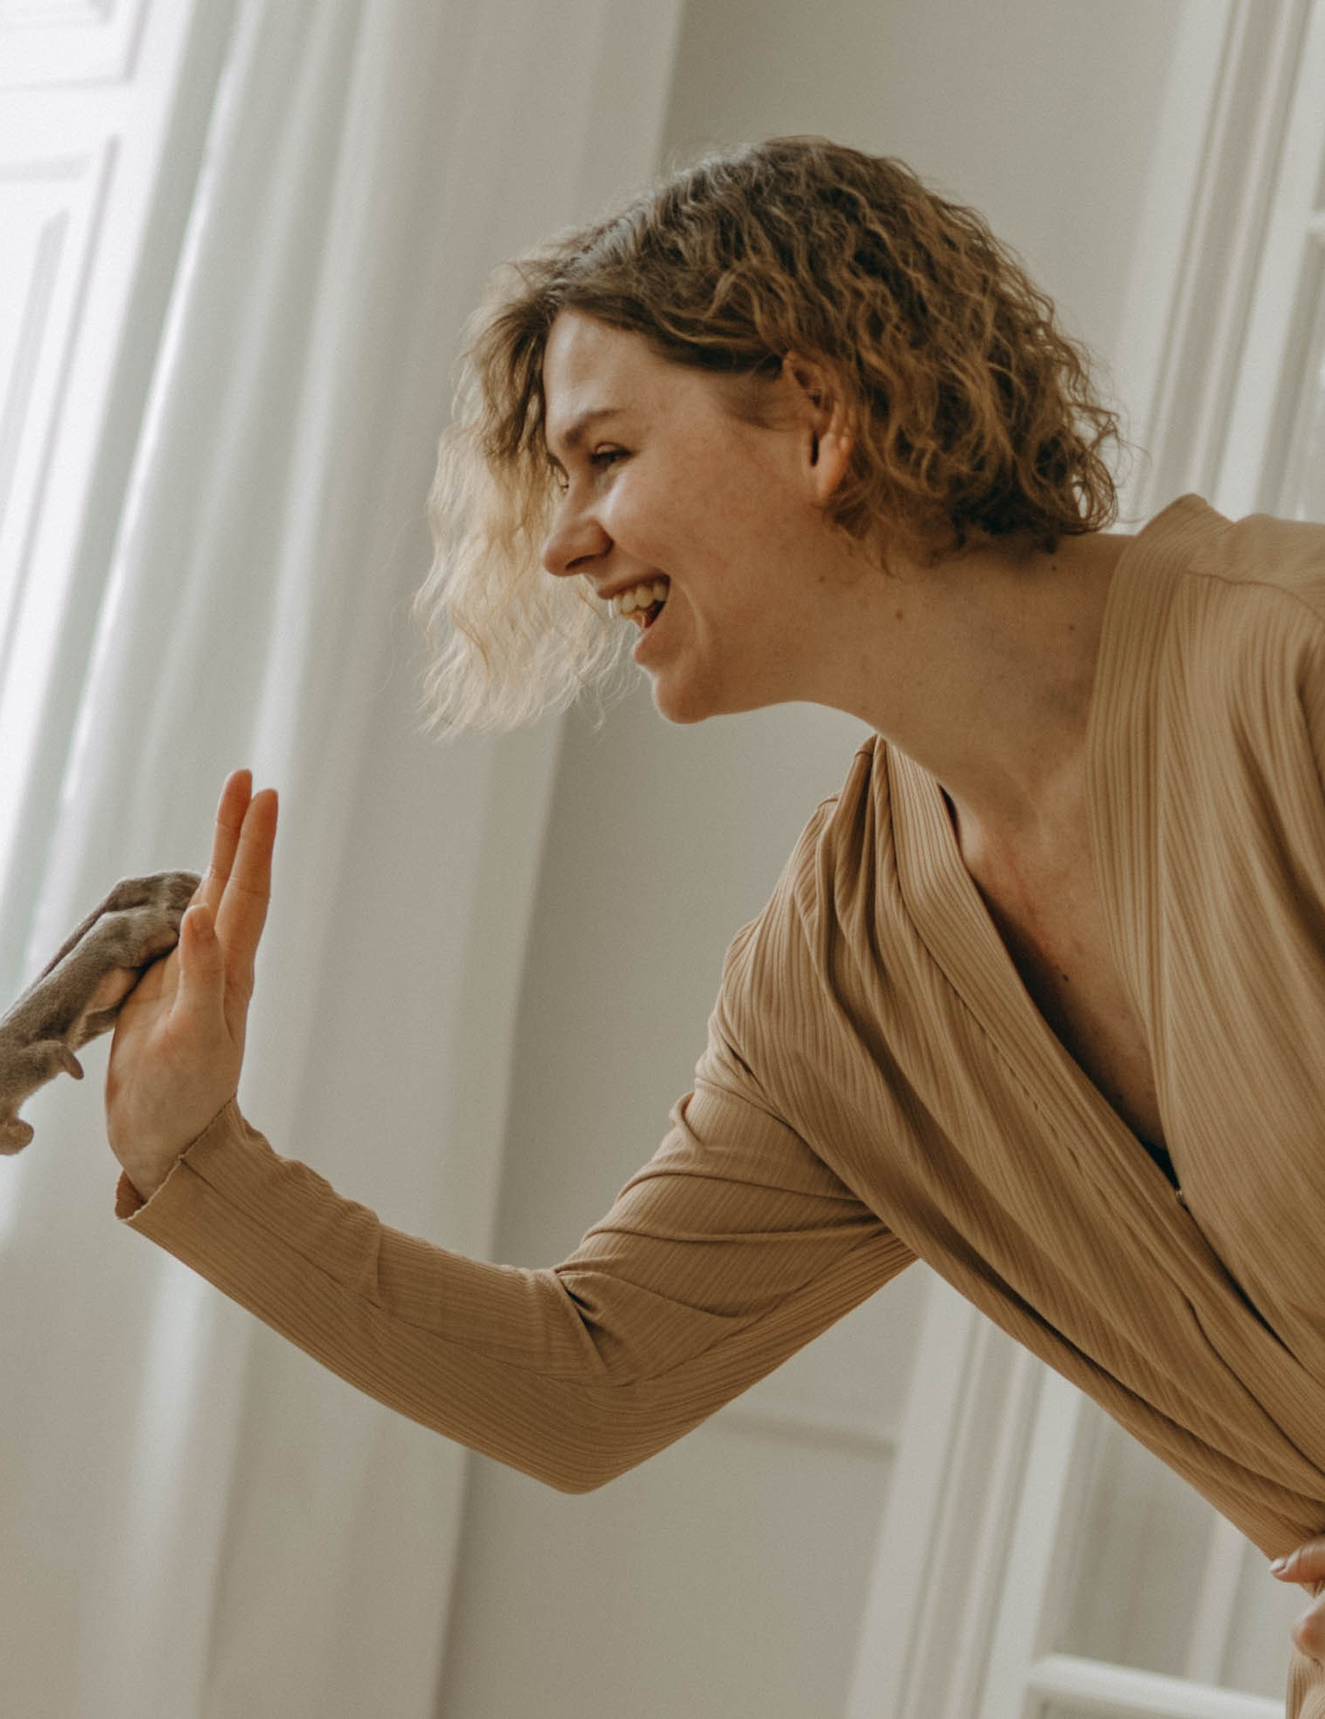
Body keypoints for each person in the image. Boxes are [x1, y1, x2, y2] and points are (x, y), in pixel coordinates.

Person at [97, 134, 1325, 1714]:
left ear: (819, 418)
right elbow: (591, 1383)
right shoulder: (842, 980)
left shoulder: (1288, 677)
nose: (562, 543)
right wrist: (198, 1161)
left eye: (605, 457)